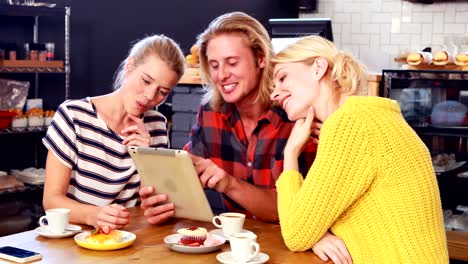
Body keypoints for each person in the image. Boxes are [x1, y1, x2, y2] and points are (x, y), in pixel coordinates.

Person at [271, 35, 449, 263]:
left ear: (318, 68)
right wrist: (317, 235)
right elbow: (320, 221)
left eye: (283, 78)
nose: (274, 94)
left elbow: (295, 233)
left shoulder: (350, 124)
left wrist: (291, 152)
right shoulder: (371, 117)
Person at [139, 12, 317, 223]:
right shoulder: (210, 113)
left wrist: (229, 184)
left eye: (232, 63)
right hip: (236, 244)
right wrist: (161, 201)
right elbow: (187, 175)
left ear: (260, 58)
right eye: (214, 65)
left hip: (293, 243)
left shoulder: (295, 114)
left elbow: (299, 210)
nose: (221, 75)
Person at [42, 34, 185, 229]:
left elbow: (153, 207)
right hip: (76, 240)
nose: (150, 96)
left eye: (162, 91)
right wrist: (93, 215)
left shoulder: (157, 126)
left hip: (128, 242)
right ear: (129, 66)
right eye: (146, 81)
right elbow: (51, 200)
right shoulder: (74, 116)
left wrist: (147, 158)